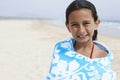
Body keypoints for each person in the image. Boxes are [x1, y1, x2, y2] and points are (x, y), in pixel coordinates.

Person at [46, 0, 116, 80]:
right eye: (75, 25)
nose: (81, 31)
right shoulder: (61, 49)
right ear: (68, 27)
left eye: (86, 23)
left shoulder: (104, 57)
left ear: (96, 23)